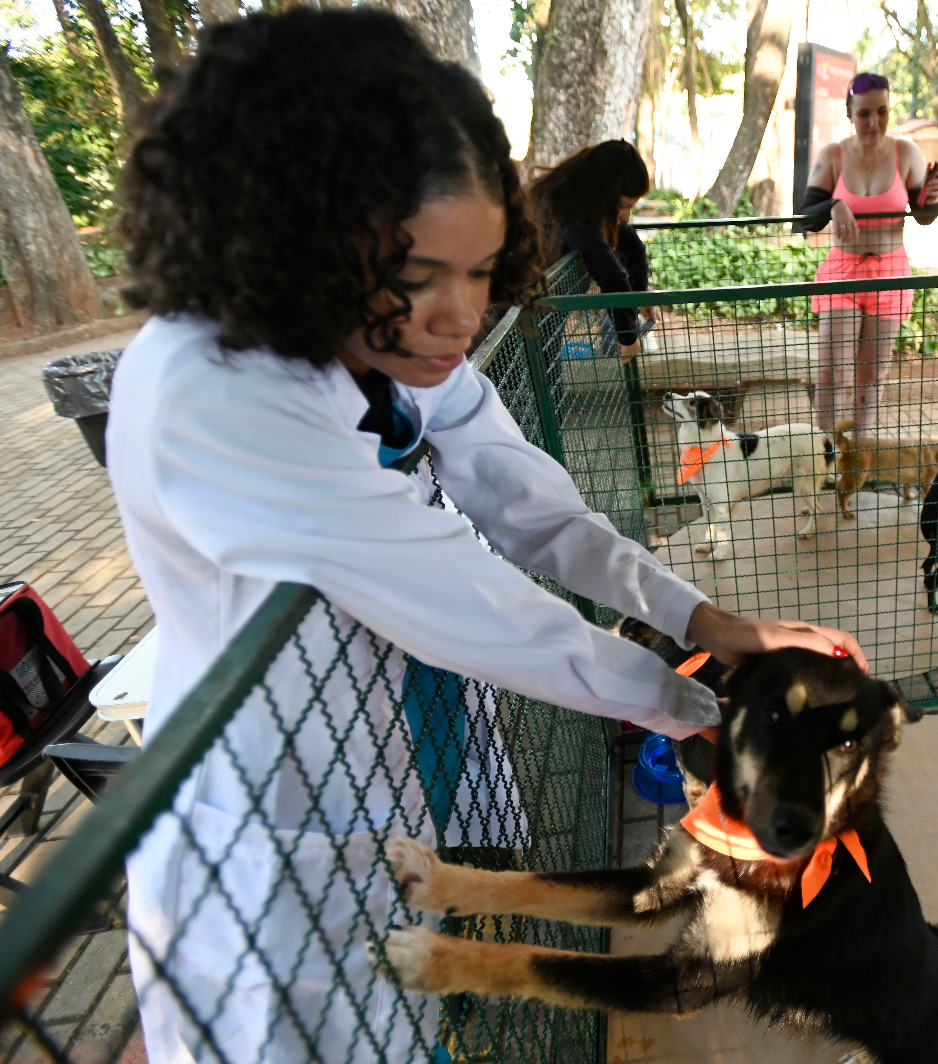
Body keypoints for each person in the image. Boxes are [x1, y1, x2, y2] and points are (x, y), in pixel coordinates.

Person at [107, 11, 866, 1062]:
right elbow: (464, 596)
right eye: (425, 275)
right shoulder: (208, 391)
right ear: (300, 229)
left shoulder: (371, 330)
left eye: (479, 271)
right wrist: (701, 702)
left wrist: (703, 618)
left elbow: (528, 501)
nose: (461, 316)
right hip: (266, 806)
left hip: (372, 745)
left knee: (394, 1005)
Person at [795, 71, 938, 432]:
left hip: (890, 273)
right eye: (864, 113)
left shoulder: (905, 151)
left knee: (870, 379)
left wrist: (930, 199)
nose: (874, 122)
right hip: (843, 272)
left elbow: (924, 218)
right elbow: (805, 219)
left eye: (882, 111)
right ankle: (824, 460)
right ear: (849, 113)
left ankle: (858, 461)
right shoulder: (833, 155)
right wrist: (833, 203)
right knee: (833, 375)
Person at [528, 139, 655, 361]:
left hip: (544, 316)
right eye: (624, 206)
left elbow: (632, 245)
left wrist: (641, 294)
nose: (626, 216)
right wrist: (628, 338)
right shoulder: (572, 214)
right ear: (604, 193)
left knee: (549, 368)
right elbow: (610, 275)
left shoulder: (587, 207)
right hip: (516, 321)